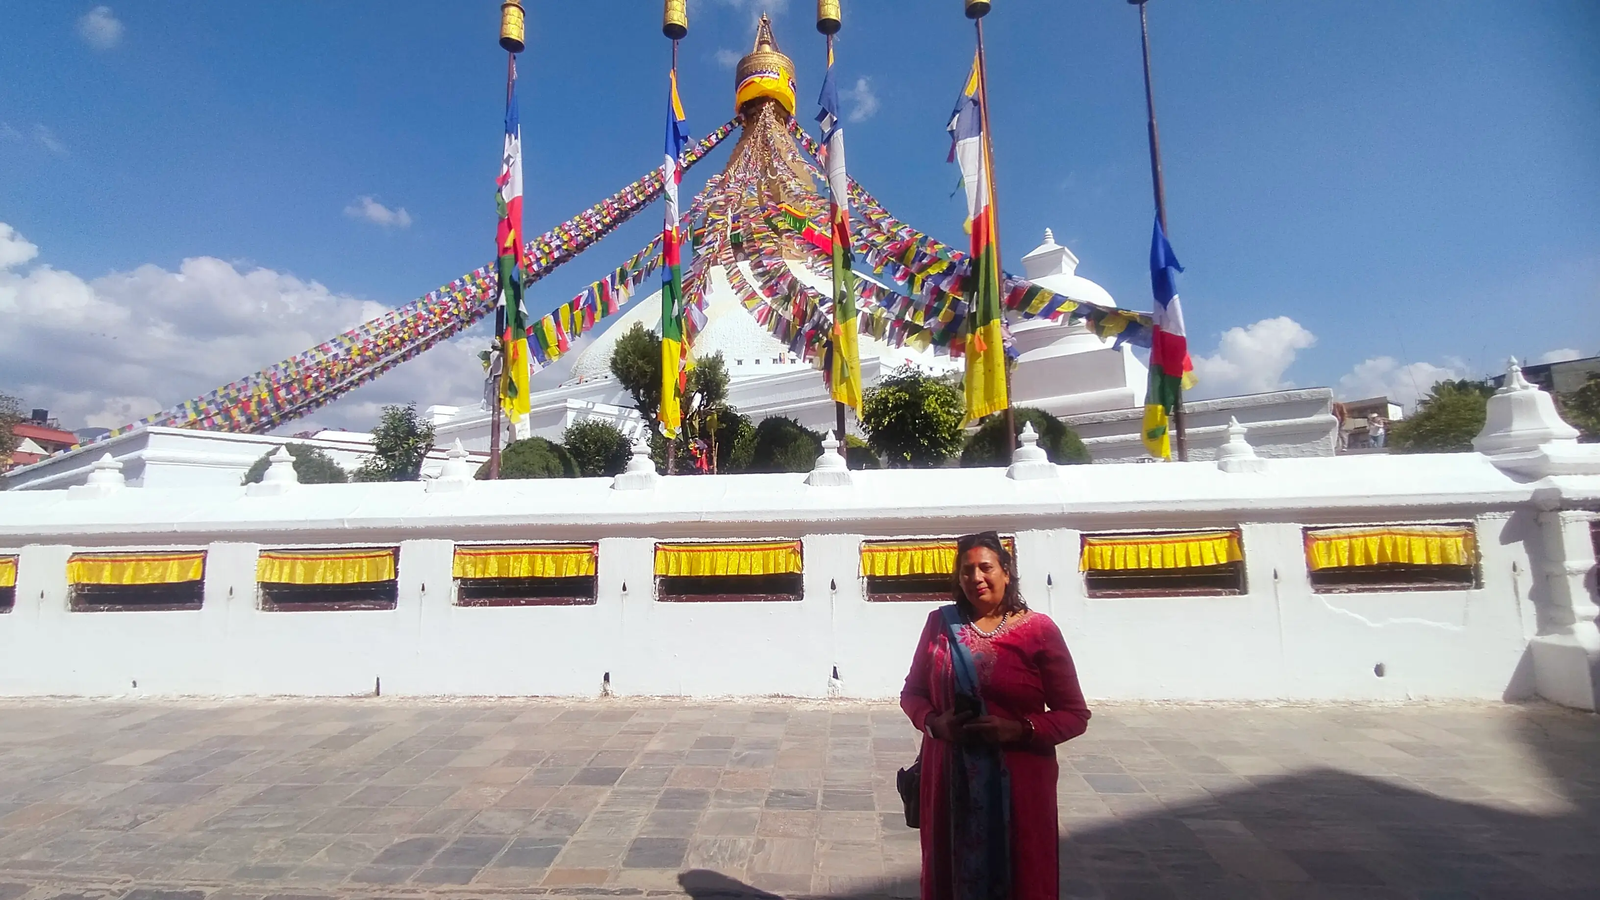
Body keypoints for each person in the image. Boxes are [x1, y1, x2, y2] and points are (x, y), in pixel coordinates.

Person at [900, 532, 1091, 900]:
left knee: (1021, 876)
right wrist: (934, 723)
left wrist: (1018, 729)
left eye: (986, 567)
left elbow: (1074, 714)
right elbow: (913, 693)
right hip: (948, 783)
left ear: (1006, 572)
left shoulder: (1038, 631)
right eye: (967, 570)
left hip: (1019, 786)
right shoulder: (939, 626)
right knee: (948, 874)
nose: (976, 578)